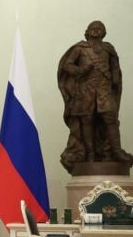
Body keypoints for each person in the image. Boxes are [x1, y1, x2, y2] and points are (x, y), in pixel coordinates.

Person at [57, 20, 133, 172]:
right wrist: (81, 70)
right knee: (87, 120)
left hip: (104, 89)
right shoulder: (80, 48)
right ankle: (90, 154)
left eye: (99, 28)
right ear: (87, 31)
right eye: (93, 28)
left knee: (110, 117)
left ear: (104, 32)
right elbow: (67, 65)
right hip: (85, 90)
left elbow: (114, 66)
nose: (96, 30)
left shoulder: (108, 48)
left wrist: (115, 78)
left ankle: (116, 151)